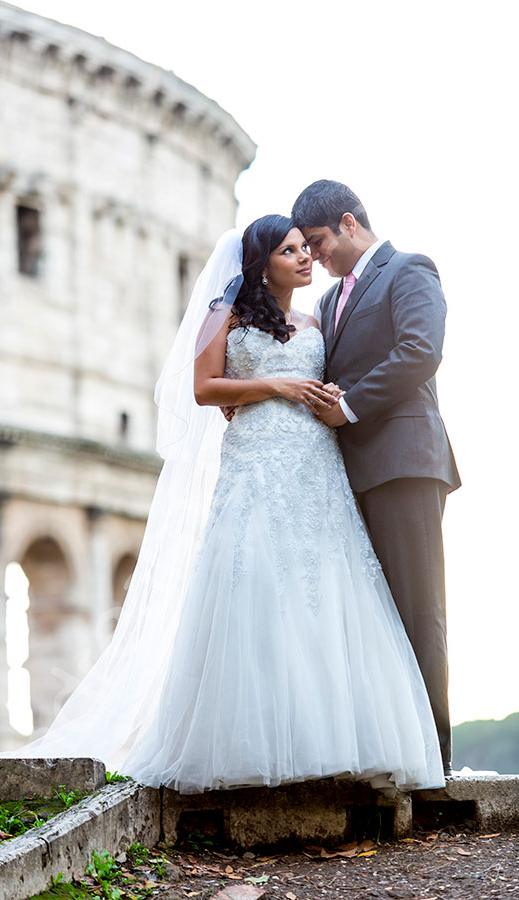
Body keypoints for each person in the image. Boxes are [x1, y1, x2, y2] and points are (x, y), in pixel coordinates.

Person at [0, 215, 444, 794]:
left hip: (314, 465)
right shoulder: (223, 315)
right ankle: (255, 744)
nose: (305, 258)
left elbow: (328, 382)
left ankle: (336, 742)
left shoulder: (315, 319)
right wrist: (273, 386)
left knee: (324, 590)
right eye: (290, 250)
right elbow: (204, 387)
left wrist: (327, 394)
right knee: (253, 583)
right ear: (262, 264)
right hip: (256, 462)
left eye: (307, 248)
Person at [291, 181, 461, 775]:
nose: (313, 259)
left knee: (418, 610)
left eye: (317, 243)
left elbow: (421, 351)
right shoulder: (331, 303)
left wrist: (350, 405)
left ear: (348, 222)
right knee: (374, 617)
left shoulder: (409, 269)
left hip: (404, 464)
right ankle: (391, 753)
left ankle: (434, 764)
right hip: (350, 477)